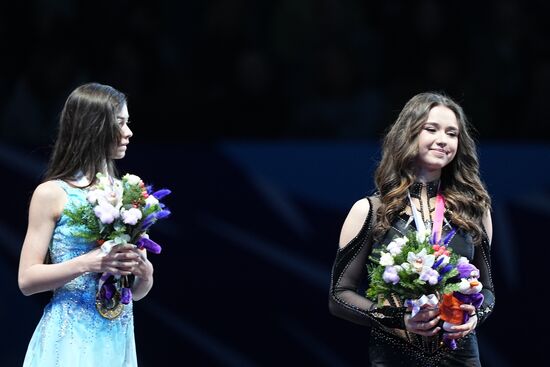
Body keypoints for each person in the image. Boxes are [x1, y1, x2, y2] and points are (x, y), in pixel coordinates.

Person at [328, 92, 495, 366]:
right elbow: (339, 296)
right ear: (408, 134)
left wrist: (475, 315)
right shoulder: (371, 211)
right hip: (395, 355)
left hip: (460, 356)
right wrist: (401, 319)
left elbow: (487, 289)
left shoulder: (474, 210)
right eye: (432, 129)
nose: (443, 139)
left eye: (452, 133)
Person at [18, 82, 154, 366]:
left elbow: (135, 293)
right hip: (70, 338)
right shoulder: (52, 193)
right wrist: (90, 263)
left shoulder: (128, 194)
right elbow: (27, 280)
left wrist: (145, 273)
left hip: (117, 334)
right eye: (120, 123)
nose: (128, 132)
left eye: (128, 123)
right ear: (95, 126)